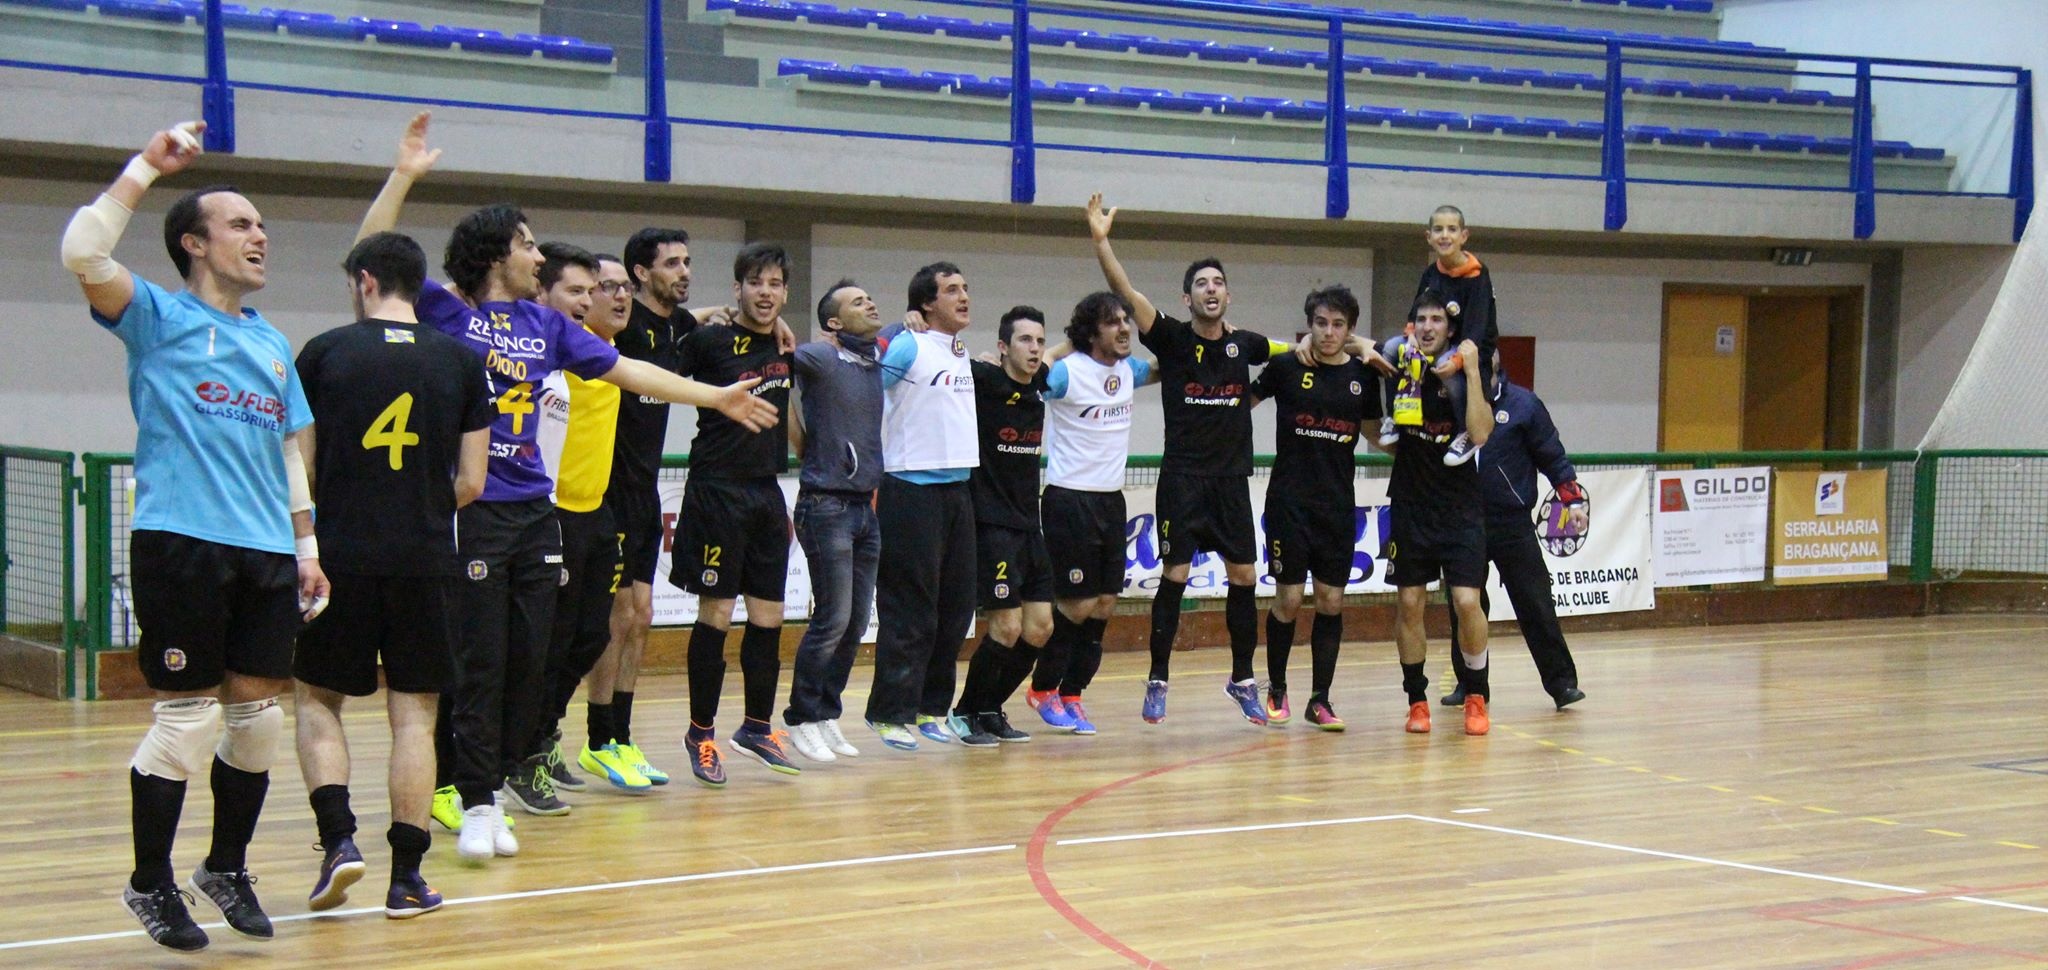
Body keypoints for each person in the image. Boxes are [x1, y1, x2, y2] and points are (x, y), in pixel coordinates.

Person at [355, 113, 777, 864]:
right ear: (494, 253)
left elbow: (629, 370)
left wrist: (711, 397)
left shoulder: (544, 327)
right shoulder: (451, 311)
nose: (537, 252)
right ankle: (476, 800)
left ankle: (502, 774)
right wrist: (404, 177)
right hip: (475, 509)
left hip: (534, 512)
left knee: (533, 657)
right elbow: (369, 255)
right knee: (481, 658)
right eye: (525, 242)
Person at [62, 119, 329, 950]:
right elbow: (83, 253)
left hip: (266, 550)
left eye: (261, 226)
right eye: (242, 224)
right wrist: (147, 163)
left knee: (259, 722)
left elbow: (288, 449)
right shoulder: (155, 317)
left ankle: (226, 865)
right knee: (187, 722)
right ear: (195, 242)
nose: (261, 236)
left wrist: (307, 549)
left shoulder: (270, 342)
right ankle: (149, 883)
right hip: (180, 539)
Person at [292, 232, 492, 920]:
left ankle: (339, 840)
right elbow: (472, 480)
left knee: (318, 700)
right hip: (426, 558)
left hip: (342, 554)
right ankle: (407, 878)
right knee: (415, 714)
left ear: (365, 281)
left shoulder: (324, 353)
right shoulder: (463, 363)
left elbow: (305, 470)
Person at [1086, 192, 1287, 726]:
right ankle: (1158, 678)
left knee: (1244, 575)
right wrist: (1102, 242)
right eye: (1201, 283)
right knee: (1174, 573)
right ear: (1188, 296)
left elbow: (1307, 348)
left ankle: (1242, 678)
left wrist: (1360, 348)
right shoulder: (1173, 340)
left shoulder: (1246, 345)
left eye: (1218, 282)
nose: (1211, 289)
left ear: (1228, 294)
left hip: (1231, 483)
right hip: (1182, 481)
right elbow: (1124, 293)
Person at [507, 245, 635, 815]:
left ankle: (543, 735)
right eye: (584, 290)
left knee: (589, 637)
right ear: (542, 295)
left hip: (596, 514)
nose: (599, 299)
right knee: (543, 643)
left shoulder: (607, 354)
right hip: (547, 513)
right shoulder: (542, 361)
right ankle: (521, 753)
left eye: (600, 290)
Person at [670, 243, 801, 783]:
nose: (765, 292)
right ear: (737, 289)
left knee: (769, 618)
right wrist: (701, 314)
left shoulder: (785, 345)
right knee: (717, 615)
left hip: (767, 494)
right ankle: (701, 733)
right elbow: (662, 360)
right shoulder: (709, 341)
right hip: (715, 492)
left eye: (775, 283)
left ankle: (755, 727)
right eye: (755, 282)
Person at [584, 227, 697, 792]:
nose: (683, 270)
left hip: (644, 491)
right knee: (615, 616)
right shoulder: (608, 333)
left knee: (642, 615)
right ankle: (597, 739)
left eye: (686, 261)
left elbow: (707, 319)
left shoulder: (678, 327)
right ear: (639, 272)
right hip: (601, 491)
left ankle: (620, 737)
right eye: (671, 263)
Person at [1246, 285, 1379, 730]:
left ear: (1351, 330)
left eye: (1338, 324)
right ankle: (1278, 688)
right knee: (1289, 598)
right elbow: (1240, 404)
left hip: (1338, 508)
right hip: (1288, 505)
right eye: (1321, 323)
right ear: (1310, 326)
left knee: (1331, 601)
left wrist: (1424, 451)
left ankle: (1320, 699)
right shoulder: (1286, 367)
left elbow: (1378, 434)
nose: (1328, 332)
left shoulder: (1364, 376)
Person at [1026, 292, 1157, 735]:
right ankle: (1043, 688)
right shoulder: (1067, 372)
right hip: (1070, 499)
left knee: (1103, 605)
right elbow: (1033, 374)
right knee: (1076, 605)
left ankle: (1073, 693)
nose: (1124, 329)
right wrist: (1067, 345)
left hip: (1109, 499)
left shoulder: (1128, 370)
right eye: (1112, 323)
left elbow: (1168, 365)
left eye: (1126, 320)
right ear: (1090, 332)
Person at [866, 262, 980, 750]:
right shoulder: (909, 343)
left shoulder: (958, 350)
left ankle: (932, 707)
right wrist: (896, 326)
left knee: (955, 611)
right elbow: (865, 372)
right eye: (952, 290)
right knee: (910, 610)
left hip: (958, 491)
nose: (963, 296)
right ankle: (889, 712)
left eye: (965, 288)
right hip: (910, 491)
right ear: (927, 304)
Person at [1441, 353, 1587, 711]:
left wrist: (1573, 501)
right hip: (1463, 521)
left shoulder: (1524, 404)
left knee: (1536, 603)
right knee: (1465, 608)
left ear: (1497, 356)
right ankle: (1470, 685)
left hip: (1512, 521)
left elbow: (1552, 455)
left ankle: (1562, 684)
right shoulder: (1450, 402)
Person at [1382, 290, 1494, 736]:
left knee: (1467, 601)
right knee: (1410, 601)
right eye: (1420, 320)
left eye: (1436, 320)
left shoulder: (1464, 370)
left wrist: (1471, 369)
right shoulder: (1399, 361)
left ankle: (1476, 693)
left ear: (1449, 329)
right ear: (1412, 327)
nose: (1428, 326)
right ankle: (1416, 700)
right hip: (1411, 502)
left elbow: (1481, 432)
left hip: (1461, 507)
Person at [782, 280, 885, 762]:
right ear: (834, 323)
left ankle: (826, 714)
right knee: (833, 618)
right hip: (826, 506)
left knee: (857, 622)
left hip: (866, 508)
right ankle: (801, 717)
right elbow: (776, 357)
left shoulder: (874, 358)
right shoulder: (821, 358)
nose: (870, 303)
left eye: (869, 298)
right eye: (857, 302)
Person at [949, 306, 1054, 746]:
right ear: (1002, 348)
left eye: (1038, 341)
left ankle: (991, 706)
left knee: (1041, 628)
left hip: (1031, 524)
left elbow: (1068, 354)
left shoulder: (1041, 385)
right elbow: (945, 356)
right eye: (1024, 340)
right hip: (991, 524)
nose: (1033, 349)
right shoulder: (985, 381)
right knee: (1005, 628)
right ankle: (965, 712)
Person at [1379, 204, 1499, 467]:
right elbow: (1416, 311)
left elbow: (1476, 330)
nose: (1445, 235)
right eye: (1438, 229)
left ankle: (1465, 433)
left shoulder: (1478, 276)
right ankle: (1394, 417)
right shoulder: (1431, 272)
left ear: (1464, 236)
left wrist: (1457, 361)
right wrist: (1411, 334)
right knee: (1390, 349)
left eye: (1452, 229)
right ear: (1429, 237)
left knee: (1455, 379)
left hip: (1472, 345)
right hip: (1440, 339)